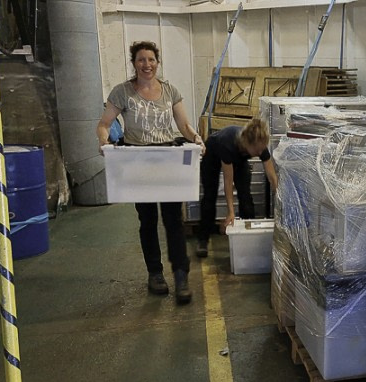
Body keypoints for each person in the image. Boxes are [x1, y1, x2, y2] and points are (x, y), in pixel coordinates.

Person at [96, 41, 205, 304]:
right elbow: (104, 124)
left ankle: (181, 276)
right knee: (147, 221)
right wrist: (104, 142)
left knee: (173, 222)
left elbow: (184, 124)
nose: (147, 65)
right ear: (134, 63)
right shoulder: (122, 92)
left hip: (167, 159)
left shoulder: (170, 91)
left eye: (151, 60)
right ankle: (155, 274)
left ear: (158, 62)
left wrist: (197, 138)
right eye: (141, 60)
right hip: (138, 161)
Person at [196, 119, 278, 257]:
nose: (260, 152)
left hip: (239, 158)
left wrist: (279, 198)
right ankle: (203, 239)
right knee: (210, 196)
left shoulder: (259, 144)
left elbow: (271, 175)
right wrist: (230, 213)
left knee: (245, 195)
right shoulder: (228, 144)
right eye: (257, 150)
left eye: (261, 149)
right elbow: (228, 183)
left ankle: (249, 237)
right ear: (248, 144)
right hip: (212, 156)